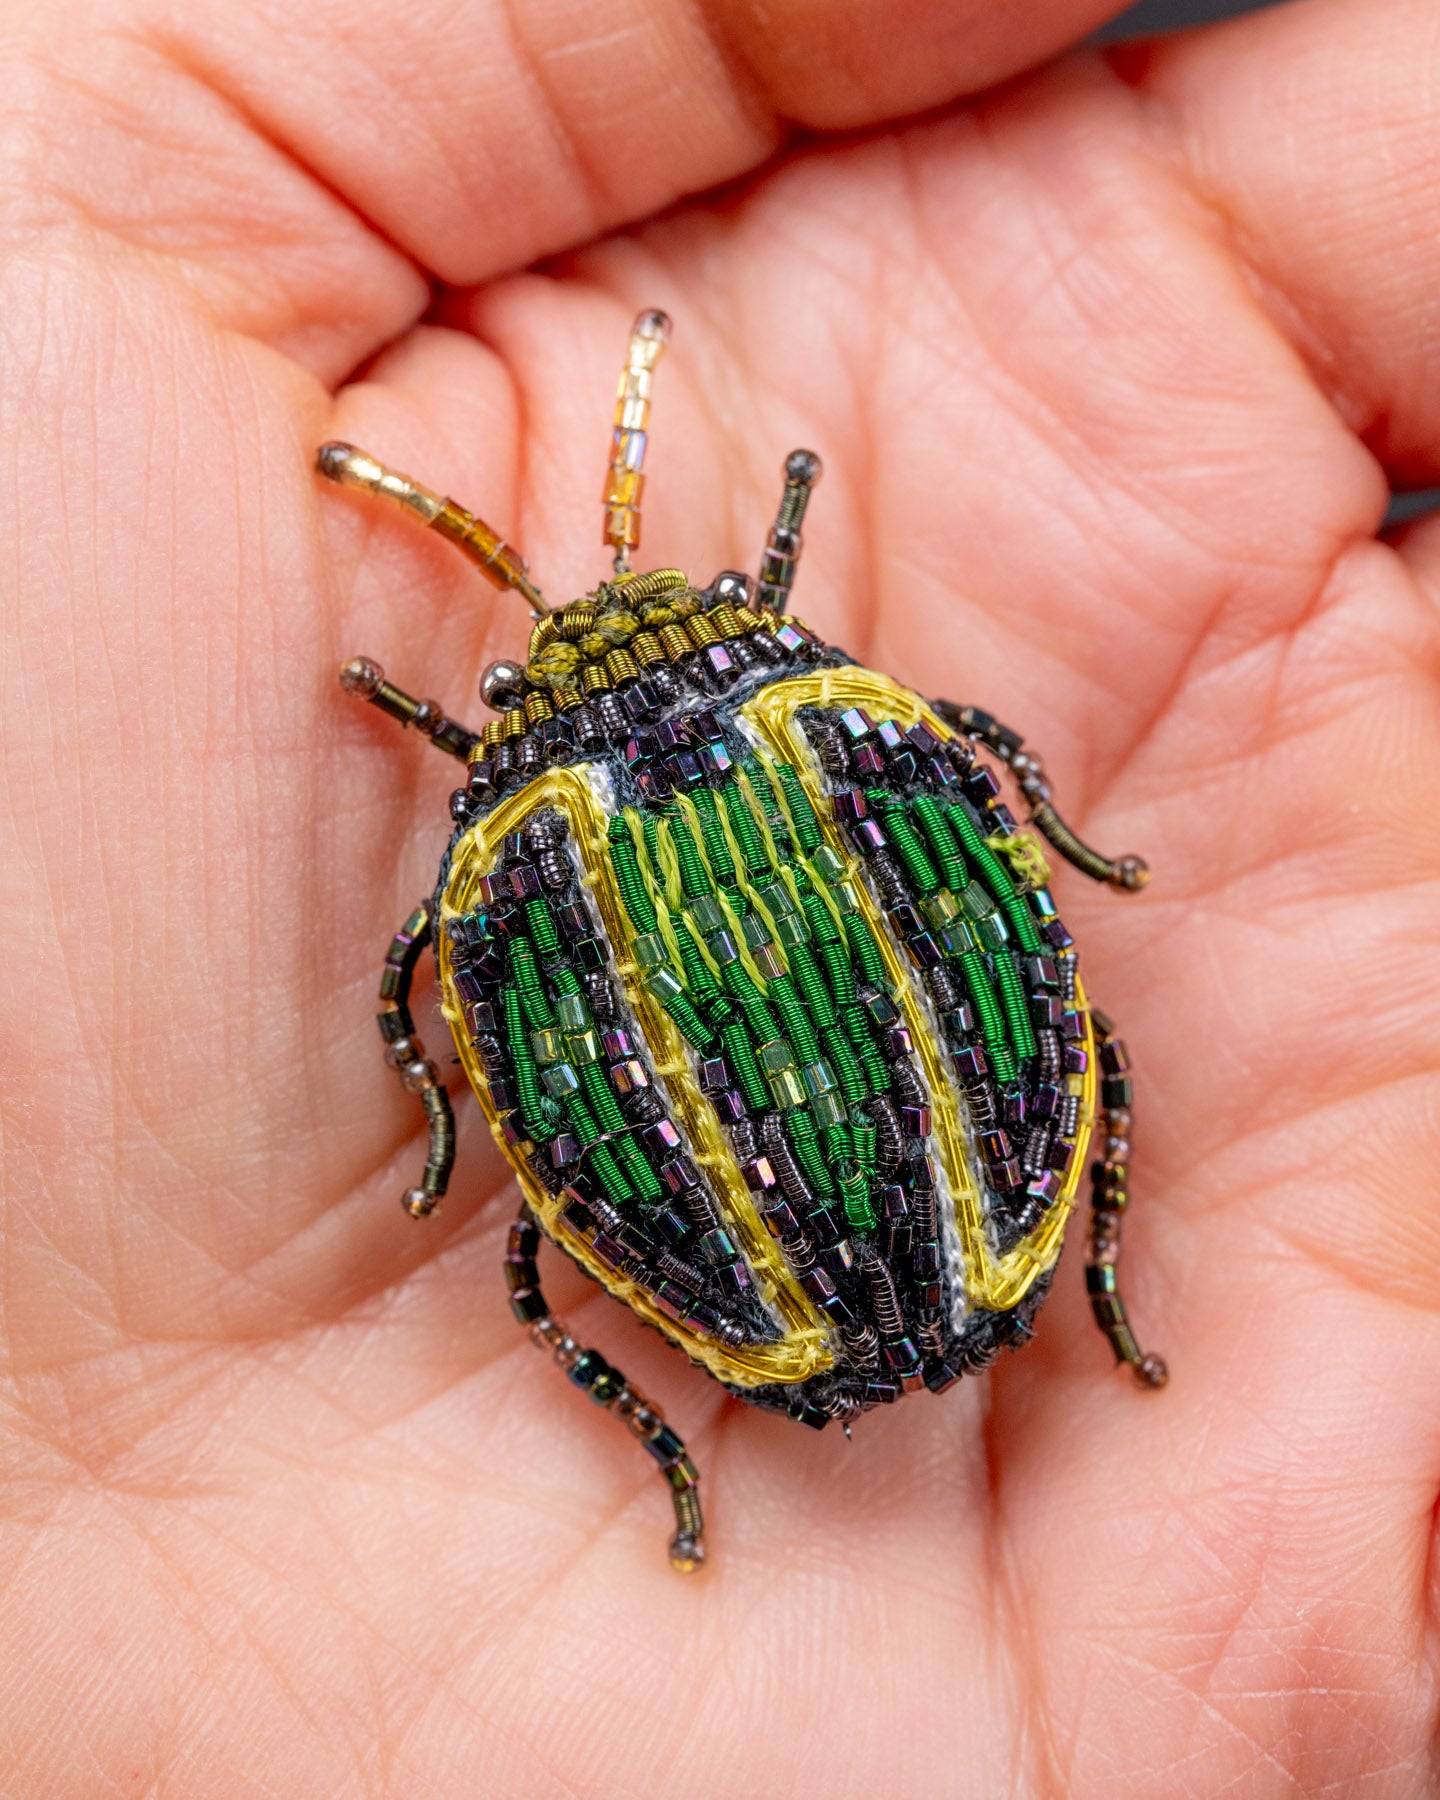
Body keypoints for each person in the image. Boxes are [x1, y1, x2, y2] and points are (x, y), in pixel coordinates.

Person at [3, 0, 1437, 1790]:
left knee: (536, 1275)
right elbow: (983, 771)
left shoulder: (519, 853)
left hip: (803, 1291)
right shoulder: (799, 732)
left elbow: (425, 993)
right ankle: (1084, 1311)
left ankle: (725, 1445)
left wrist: (440, 1111)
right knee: (1084, 1058)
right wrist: (1067, 859)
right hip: (959, 1232)